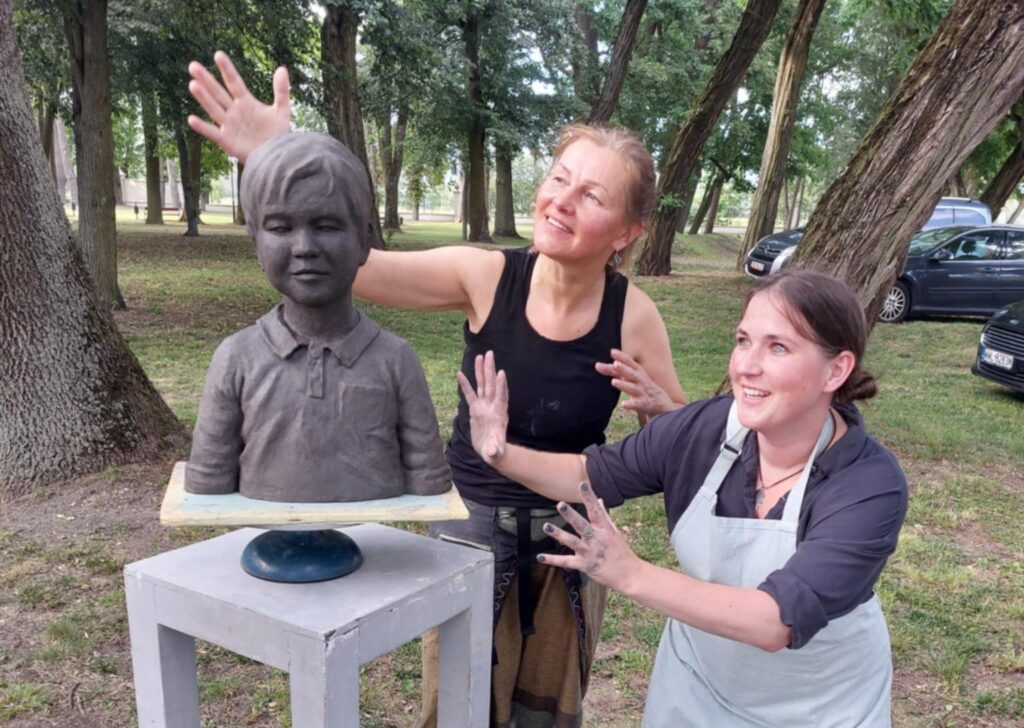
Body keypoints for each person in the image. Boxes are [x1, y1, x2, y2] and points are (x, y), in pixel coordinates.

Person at [186, 52, 687, 727]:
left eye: (592, 196)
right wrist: (278, 156)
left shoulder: (634, 316)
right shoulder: (485, 277)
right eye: (558, 179)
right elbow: (352, 265)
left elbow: (679, 443)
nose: (562, 201)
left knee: (548, 713)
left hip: (571, 539)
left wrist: (662, 412)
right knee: (456, 708)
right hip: (470, 529)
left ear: (627, 232)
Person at [461, 270, 908, 727]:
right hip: (697, 686)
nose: (746, 366)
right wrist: (501, 454)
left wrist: (630, 573)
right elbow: (590, 474)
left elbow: (776, 621)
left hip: (819, 705)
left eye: (778, 347)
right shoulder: (704, 430)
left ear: (836, 369)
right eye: (743, 341)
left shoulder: (868, 484)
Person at [185, 132, 450, 502]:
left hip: (369, 532)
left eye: (326, 226)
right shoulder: (236, 358)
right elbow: (208, 480)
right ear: (255, 242)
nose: (304, 248)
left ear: (364, 240)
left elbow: (428, 478)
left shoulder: (396, 360)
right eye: (280, 228)